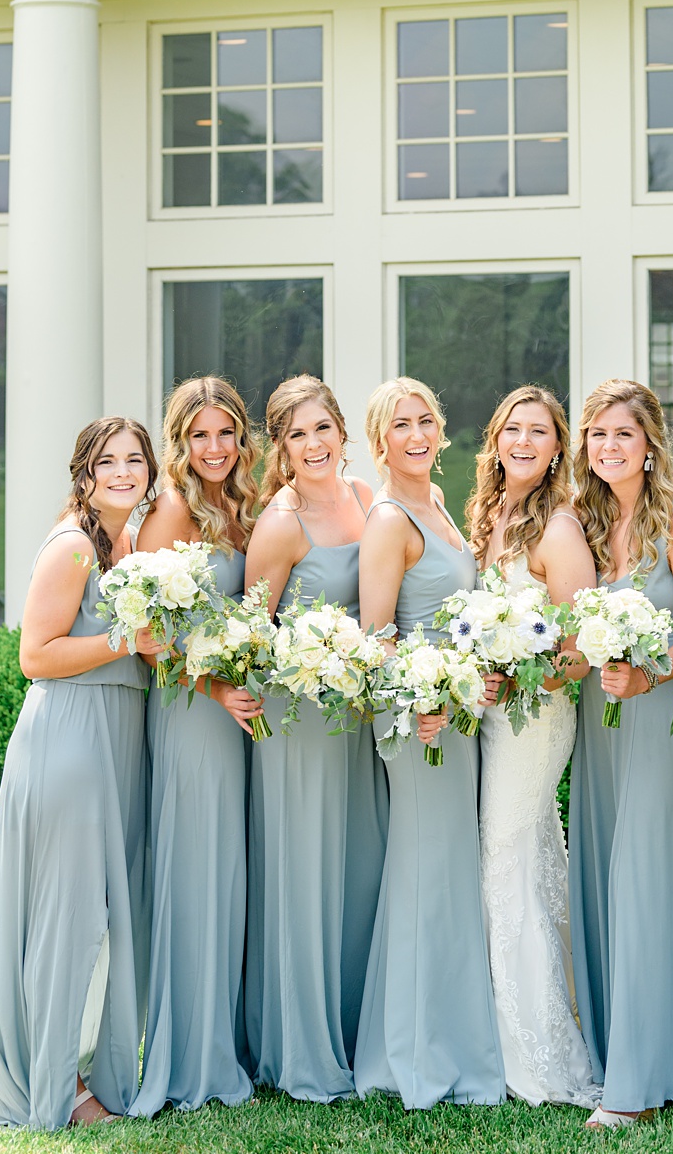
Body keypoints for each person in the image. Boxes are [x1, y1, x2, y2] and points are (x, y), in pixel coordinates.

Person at [0, 418, 158, 1128]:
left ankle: (81, 1069)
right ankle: (58, 1091)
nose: (122, 472)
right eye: (107, 462)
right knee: (68, 921)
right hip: (71, 739)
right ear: (84, 474)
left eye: (134, 460)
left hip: (111, 739)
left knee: (98, 920)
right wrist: (125, 639)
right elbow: (36, 654)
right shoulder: (76, 546)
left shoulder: (126, 548)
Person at [567, 380, 673, 1128]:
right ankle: (607, 1049)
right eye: (596, 435)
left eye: (622, 435)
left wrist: (648, 672)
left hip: (659, 713)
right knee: (603, 873)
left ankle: (641, 1077)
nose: (608, 448)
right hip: (601, 718)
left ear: (651, 442)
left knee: (645, 878)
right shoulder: (587, 520)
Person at [352, 377, 503, 1108]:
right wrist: (420, 697)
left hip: (456, 710)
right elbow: (374, 636)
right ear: (379, 440)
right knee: (423, 874)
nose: (416, 435)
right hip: (419, 721)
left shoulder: (436, 504)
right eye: (400, 425)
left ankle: (443, 1034)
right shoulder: (388, 519)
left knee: (447, 874)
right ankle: (409, 1056)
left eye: (427, 421)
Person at [450, 383, 601, 1113]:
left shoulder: (560, 527)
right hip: (491, 715)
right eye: (514, 428)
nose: (524, 441)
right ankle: (540, 1018)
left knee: (504, 858)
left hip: (535, 716)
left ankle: (535, 1054)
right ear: (496, 438)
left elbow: (581, 650)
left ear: (556, 449)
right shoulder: (488, 515)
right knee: (527, 858)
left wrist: (517, 675)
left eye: (539, 433)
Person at [242, 376, 386, 1101]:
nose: (315, 444)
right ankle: (303, 1047)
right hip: (298, 720)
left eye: (323, 428)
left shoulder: (366, 499)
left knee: (358, 868)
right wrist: (311, 657)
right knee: (306, 871)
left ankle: (361, 1034)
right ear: (281, 446)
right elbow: (251, 629)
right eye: (298, 434)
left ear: (341, 433)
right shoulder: (281, 520)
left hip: (358, 718)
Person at [131, 379, 263, 1116]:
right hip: (192, 711)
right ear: (179, 442)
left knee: (228, 876)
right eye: (199, 437)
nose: (214, 449)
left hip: (238, 714)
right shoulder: (172, 511)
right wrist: (213, 691)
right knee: (197, 874)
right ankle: (192, 1057)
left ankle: (227, 1040)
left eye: (225, 434)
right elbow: (152, 641)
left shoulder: (240, 505)